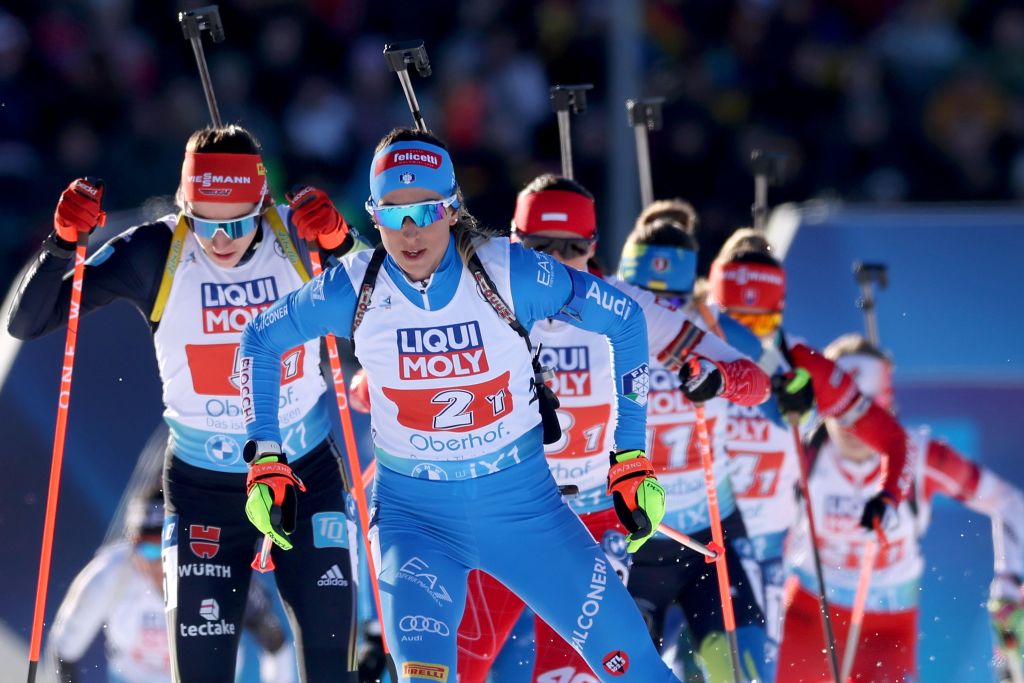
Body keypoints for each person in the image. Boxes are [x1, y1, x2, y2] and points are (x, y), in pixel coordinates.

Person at [238, 127, 686, 682]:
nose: (409, 231)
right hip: (417, 524)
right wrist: (264, 456)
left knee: (635, 668)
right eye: (392, 213)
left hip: (527, 515)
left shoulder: (508, 272)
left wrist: (630, 456)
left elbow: (624, 318)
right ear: (373, 216)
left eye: (424, 210)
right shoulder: (355, 288)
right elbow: (260, 338)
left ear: (451, 209)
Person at [7, 125, 359, 683]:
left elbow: (392, 313)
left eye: (237, 224)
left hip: (302, 477)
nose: (220, 242)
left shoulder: (296, 235)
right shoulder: (157, 249)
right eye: (204, 223)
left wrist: (344, 247)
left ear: (263, 204)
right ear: (183, 206)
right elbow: (27, 321)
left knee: (330, 666)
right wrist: (59, 244)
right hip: (205, 489)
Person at [451, 179, 771, 683]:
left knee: (571, 676)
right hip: (505, 509)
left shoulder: (624, 307)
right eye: (540, 248)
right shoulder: (476, 302)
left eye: (572, 248)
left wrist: (718, 377)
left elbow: (756, 383)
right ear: (514, 242)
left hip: (593, 525)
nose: (556, 261)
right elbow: (376, 379)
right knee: (455, 665)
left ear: (594, 246)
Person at [706, 228, 923, 680]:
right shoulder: (681, 345)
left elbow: (894, 440)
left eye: (760, 325)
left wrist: (887, 497)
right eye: (731, 322)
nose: (742, 341)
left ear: (780, 314)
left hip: (758, 559)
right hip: (684, 540)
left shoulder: (802, 365)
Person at [775, 334, 1024, 681]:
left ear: (886, 407)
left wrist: (1010, 584)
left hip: (887, 630)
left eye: (862, 409)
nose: (850, 425)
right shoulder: (801, 450)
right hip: (809, 617)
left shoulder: (921, 457)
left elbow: (1009, 502)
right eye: (839, 408)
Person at [615, 202, 773, 682]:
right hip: (633, 539)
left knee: (741, 675)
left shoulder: (715, 331)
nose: (661, 310)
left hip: (710, 541)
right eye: (645, 295)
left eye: (674, 299)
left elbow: (772, 369)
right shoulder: (606, 326)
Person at [49, 486, 297, 683]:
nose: (162, 564)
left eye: (169, 549)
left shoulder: (219, 572)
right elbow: (63, 651)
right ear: (131, 546)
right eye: (148, 550)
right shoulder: (109, 574)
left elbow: (275, 643)